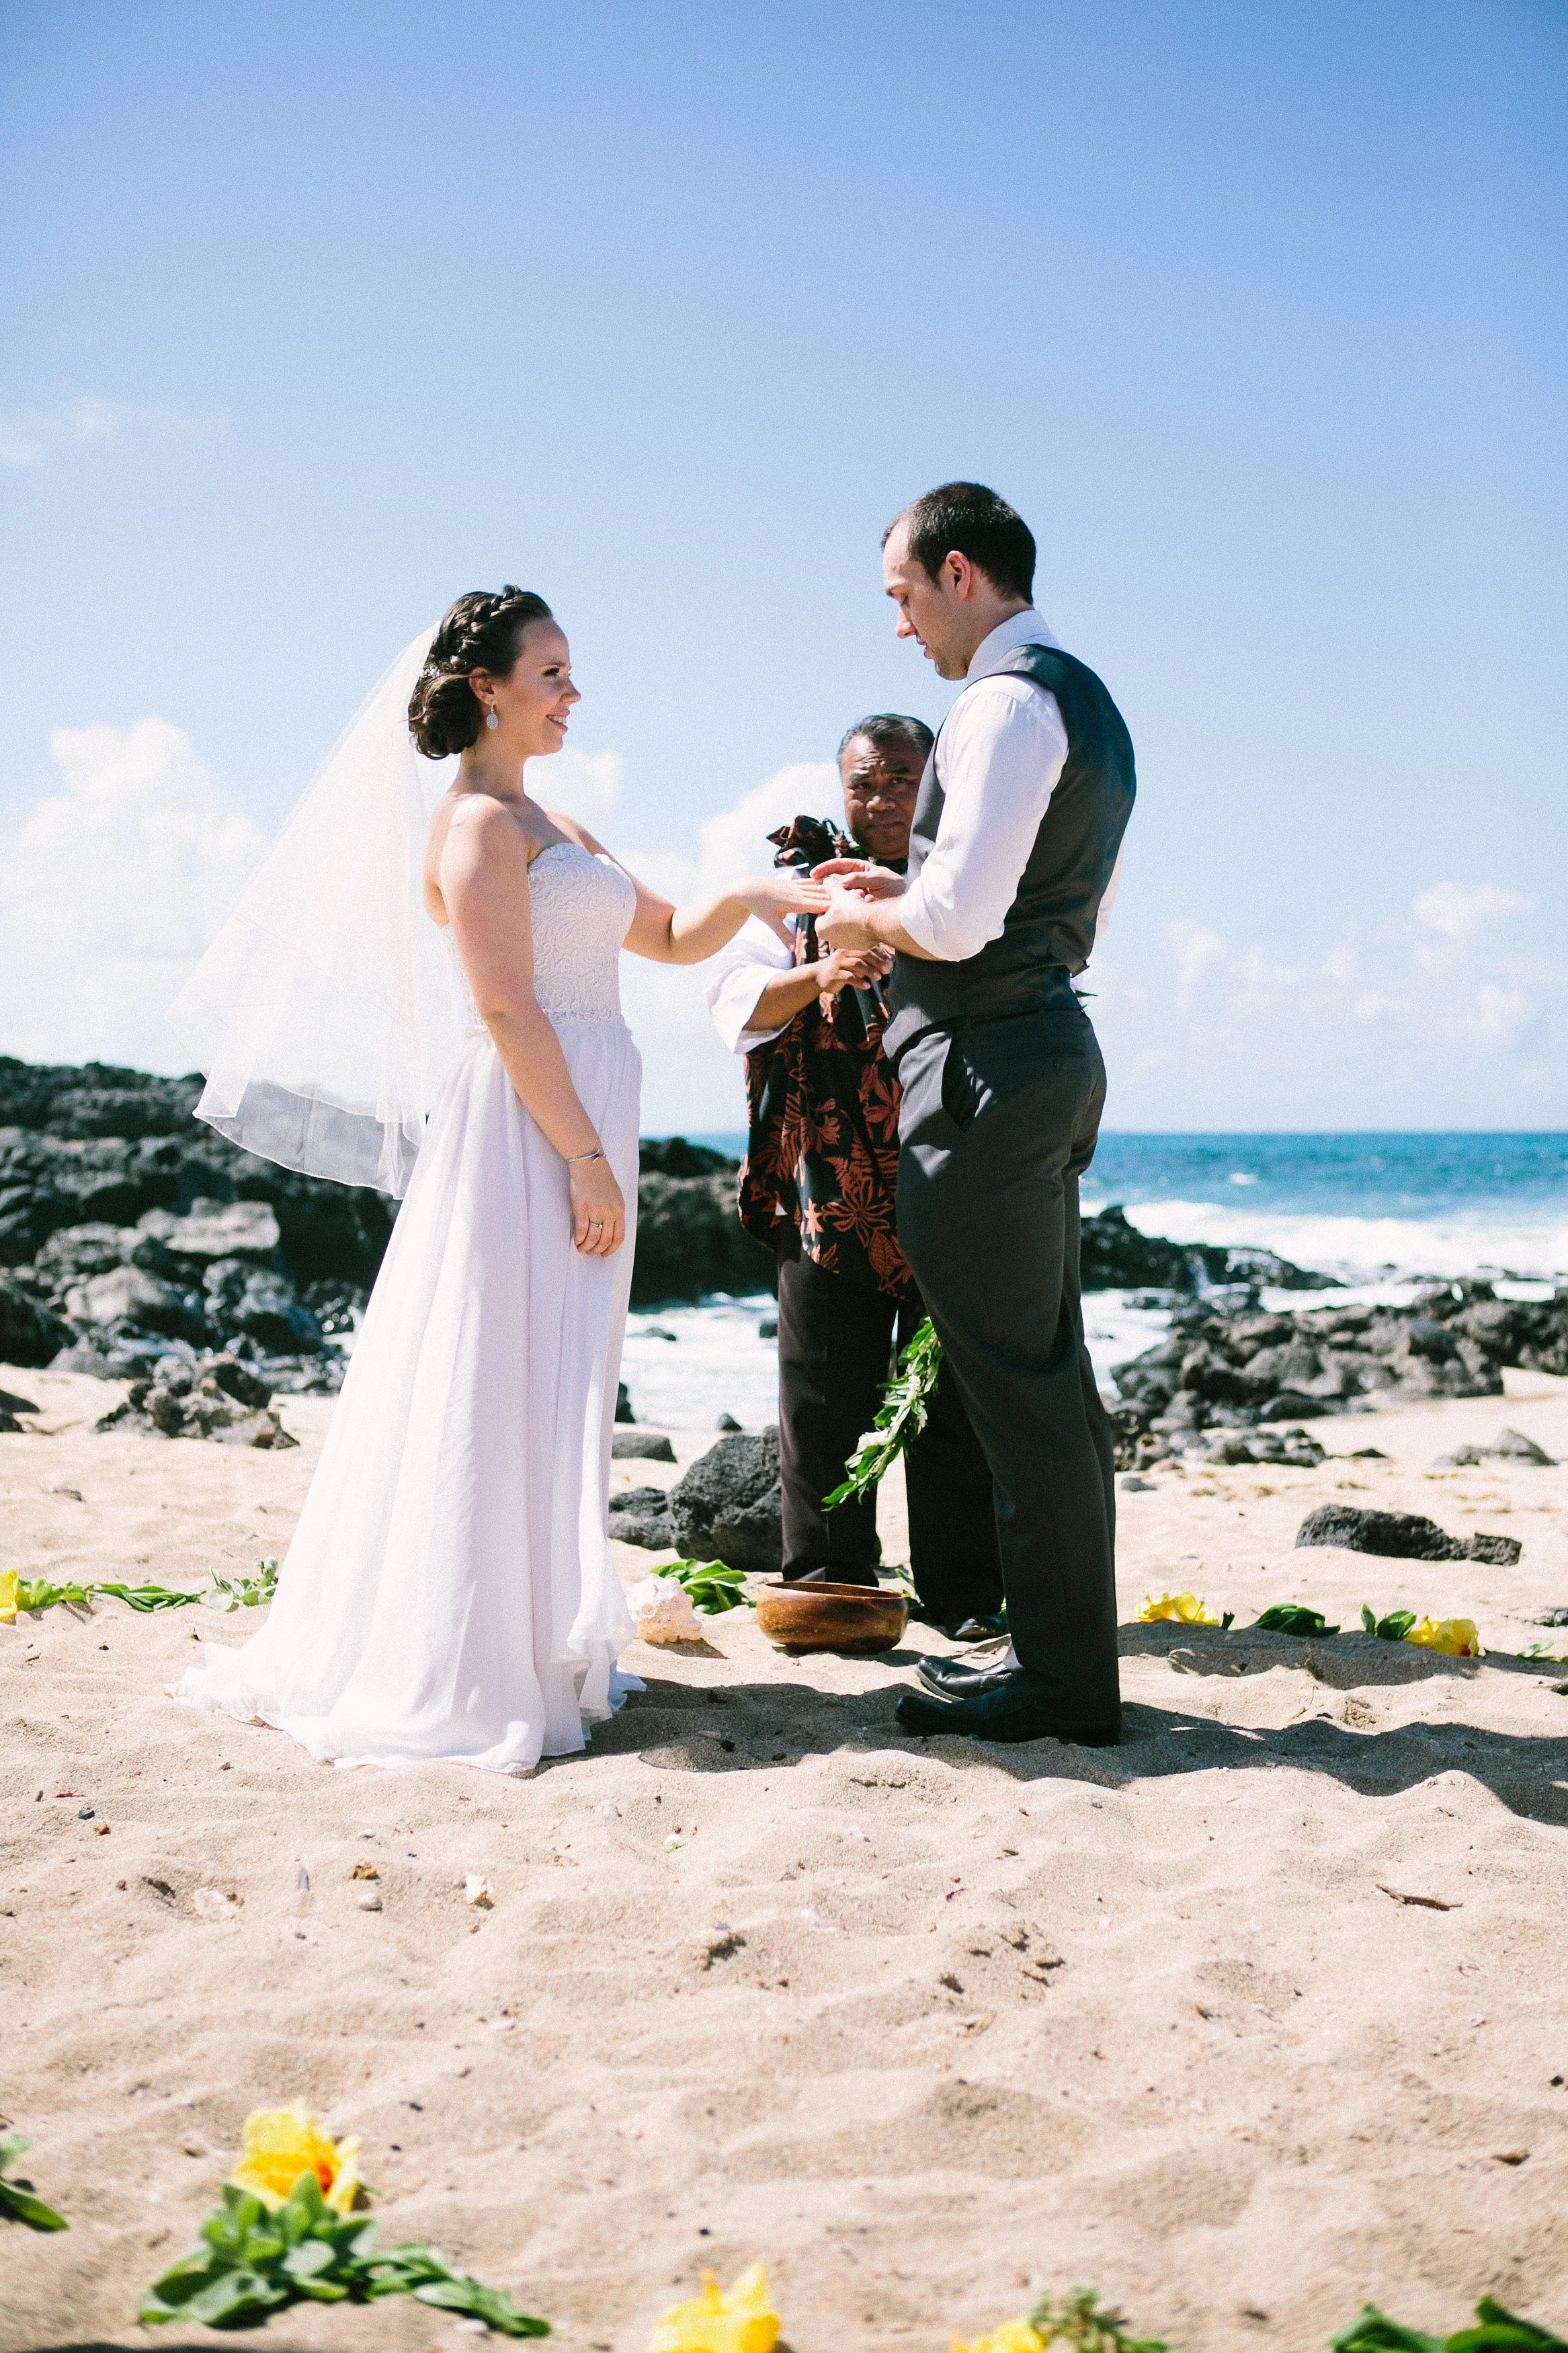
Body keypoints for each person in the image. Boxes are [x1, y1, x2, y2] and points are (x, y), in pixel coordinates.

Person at [166, 588, 823, 1773]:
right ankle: (467, 1657)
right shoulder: (476, 827)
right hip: (531, 1124)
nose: (573, 695)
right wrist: (581, 1158)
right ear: (490, 688)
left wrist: (762, 899)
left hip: (587, 1110)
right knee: (499, 1367)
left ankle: (531, 1631)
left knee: (559, 1374)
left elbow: (669, 937)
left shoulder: (557, 821)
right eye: (554, 675)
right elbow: (508, 1008)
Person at [817, 484, 1134, 1747]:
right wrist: (905, 885)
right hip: (1041, 1045)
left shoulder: (1002, 701)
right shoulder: (1089, 703)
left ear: (958, 573)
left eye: (901, 596)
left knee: (1019, 1393)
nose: (901, 628)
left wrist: (862, 918)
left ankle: (1061, 1686)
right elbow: (1050, 908)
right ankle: (1063, 1661)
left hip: (988, 1071)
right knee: (1046, 1383)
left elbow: (952, 925)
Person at [703, 716, 1004, 1636]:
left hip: (950, 1170)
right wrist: (826, 972)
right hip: (825, 1184)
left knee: (952, 1402)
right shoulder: (798, 888)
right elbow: (735, 1005)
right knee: (824, 1395)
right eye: (863, 784)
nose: (879, 802)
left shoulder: (970, 881)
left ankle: (960, 1601)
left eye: (901, 780)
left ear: (935, 783)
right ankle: (833, 1584)